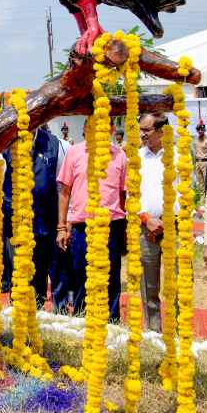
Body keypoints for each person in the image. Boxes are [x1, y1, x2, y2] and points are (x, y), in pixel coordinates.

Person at [56, 118, 127, 323]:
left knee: (111, 279)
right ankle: (80, 322)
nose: (98, 129)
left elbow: (124, 195)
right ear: (86, 128)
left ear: (112, 129)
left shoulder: (120, 155)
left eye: (103, 125)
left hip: (111, 226)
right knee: (80, 277)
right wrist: (62, 226)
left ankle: (111, 324)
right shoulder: (75, 152)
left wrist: (124, 232)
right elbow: (64, 191)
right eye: (93, 126)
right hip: (81, 226)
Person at [2, 127, 67, 310]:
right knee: (18, 276)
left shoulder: (55, 145)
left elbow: (62, 186)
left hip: (44, 224)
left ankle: (36, 321)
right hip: (15, 225)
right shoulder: (6, 141)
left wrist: (62, 224)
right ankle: (17, 325)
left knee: (39, 277)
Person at [137, 112, 177, 332]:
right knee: (149, 286)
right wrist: (146, 219)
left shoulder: (178, 156)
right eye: (140, 130)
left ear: (162, 131)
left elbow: (188, 194)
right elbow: (130, 196)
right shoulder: (136, 157)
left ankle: (180, 339)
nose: (141, 134)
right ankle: (153, 333)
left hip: (175, 229)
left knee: (178, 285)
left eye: (146, 130)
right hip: (146, 229)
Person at [195, 123, 207, 191]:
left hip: (205, 163)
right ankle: (202, 201)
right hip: (197, 163)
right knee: (200, 185)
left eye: (201, 129)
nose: (200, 131)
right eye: (198, 129)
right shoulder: (196, 139)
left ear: (204, 130)